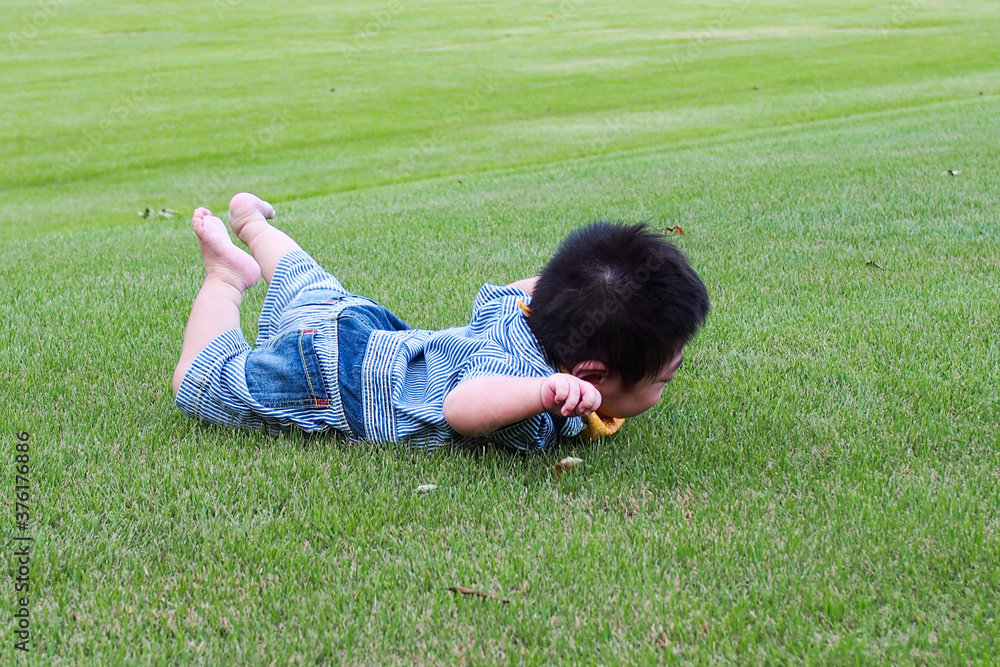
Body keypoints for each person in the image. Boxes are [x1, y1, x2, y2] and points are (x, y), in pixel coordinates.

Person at [173, 193, 709, 451]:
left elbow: (543, 287)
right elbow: (461, 408)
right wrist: (544, 392)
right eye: (663, 378)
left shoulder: (522, 314)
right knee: (201, 384)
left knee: (307, 284)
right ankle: (224, 278)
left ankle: (251, 225)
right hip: (329, 382)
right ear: (589, 377)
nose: (669, 381)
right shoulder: (521, 386)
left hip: (368, 330)